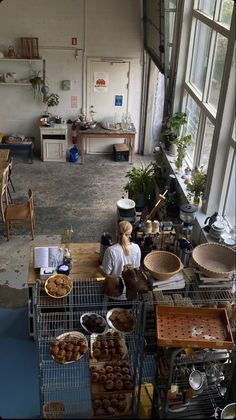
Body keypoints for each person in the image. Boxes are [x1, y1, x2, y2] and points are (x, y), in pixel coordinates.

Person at [101, 221, 141, 299]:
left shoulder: (110, 250)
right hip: (130, 293)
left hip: (114, 293)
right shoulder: (136, 248)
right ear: (130, 234)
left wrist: (99, 268)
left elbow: (106, 274)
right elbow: (137, 269)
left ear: (117, 232)